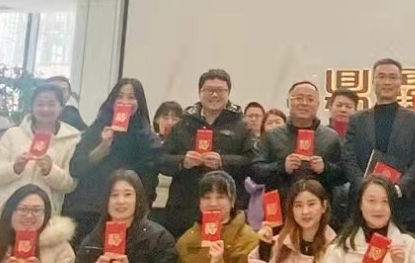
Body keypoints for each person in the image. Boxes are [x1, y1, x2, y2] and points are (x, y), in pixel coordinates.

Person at [156, 70, 254, 238]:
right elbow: (161, 160)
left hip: (226, 212)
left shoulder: (241, 126)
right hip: (184, 209)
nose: (214, 95)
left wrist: (223, 161)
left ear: (228, 93)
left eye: (220, 90)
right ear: (200, 92)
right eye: (209, 90)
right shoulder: (183, 124)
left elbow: (251, 162)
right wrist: (183, 161)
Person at [342, 58, 415, 235]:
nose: (387, 82)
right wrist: (365, 188)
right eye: (381, 77)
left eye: (392, 77)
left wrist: (398, 188)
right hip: (363, 207)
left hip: (403, 206)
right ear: (373, 81)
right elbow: (348, 158)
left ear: (400, 82)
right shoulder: (357, 120)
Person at [67, 78, 162, 243]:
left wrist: (140, 215)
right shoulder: (97, 130)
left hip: (127, 215)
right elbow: (75, 168)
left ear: (139, 103)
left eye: (131, 97)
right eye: (120, 96)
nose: (125, 102)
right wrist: (101, 149)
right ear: (112, 101)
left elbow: (149, 184)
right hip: (90, 211)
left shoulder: (148, 139)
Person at [0, 84, 80, 234]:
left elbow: (70, 185)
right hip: (6, 211)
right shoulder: (13, 134)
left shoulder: (71, 139)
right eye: (40, 104)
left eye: (51, 104)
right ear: (32, 107)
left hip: (43, 215)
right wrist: (14, 168)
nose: (45, 109)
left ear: (61, 107)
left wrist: (50, 171)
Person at [250, 80, 347, 219]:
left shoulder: (331, 137)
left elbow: (344, 174)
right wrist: (282, 167)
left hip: (319, 215)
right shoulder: (272, 135)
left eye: (310, 99)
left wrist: (325, 168)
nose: (304, 103)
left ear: (318, 104)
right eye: (299, 98)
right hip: (281, 212)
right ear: (288, 102)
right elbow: (255, 171)